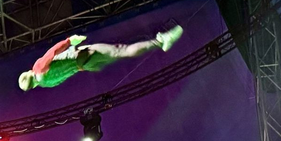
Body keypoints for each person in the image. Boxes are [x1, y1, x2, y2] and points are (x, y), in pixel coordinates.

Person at [17, 26, 184, 91]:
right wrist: (69, 41)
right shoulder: (38, 68)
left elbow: (63, 75)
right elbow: (52, 52)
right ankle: (161, 41)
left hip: (85, 66)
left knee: (120, 54)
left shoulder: (45, 84)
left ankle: (159, 42)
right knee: (122, 51)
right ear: (28, 74)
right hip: (83, 56)